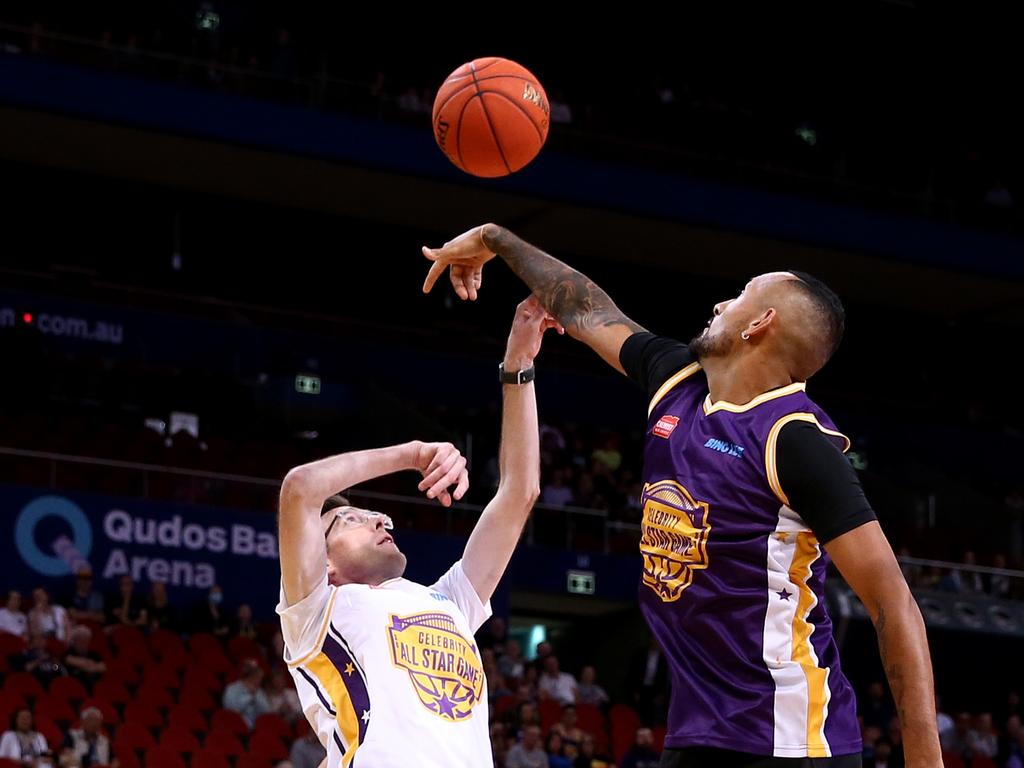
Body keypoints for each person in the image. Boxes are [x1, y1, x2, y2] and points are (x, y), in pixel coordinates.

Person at [423, 224, 941, 767]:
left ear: (760, 324)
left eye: (740, 296)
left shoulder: (796, 441)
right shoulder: (678, 380)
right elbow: (587, 308)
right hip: (698, 731)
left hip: (790, 740)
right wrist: (497, 239)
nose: (721, 302)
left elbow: (892, 602)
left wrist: (925, 757)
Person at [276, 297, 556, 767]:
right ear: (323, 563)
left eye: (376, 515)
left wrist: (519, 367)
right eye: (349, 520)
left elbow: (520, 492)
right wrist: (412, 454)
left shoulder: (450, 603)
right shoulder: (315, 611)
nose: (379, 520)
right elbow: (301, 488)